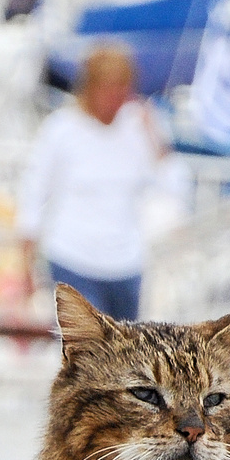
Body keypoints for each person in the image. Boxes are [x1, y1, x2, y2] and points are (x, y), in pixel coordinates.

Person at [18, 41, 166, 321]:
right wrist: (26, 259)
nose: (116, 100)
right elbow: (34, 193)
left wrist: (154, 136)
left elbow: (167, 181)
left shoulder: (139, 127)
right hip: (72, 257)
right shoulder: (60, 130)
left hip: (126, 262)